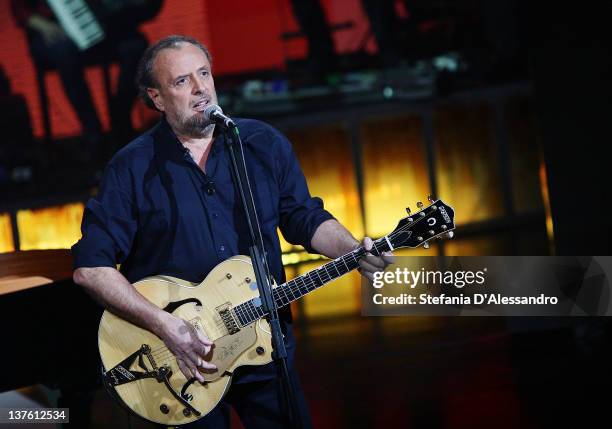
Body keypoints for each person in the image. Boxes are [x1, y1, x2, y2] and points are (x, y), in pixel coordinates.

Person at [71, 34, 393, 428]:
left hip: (264, 346)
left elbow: (304, 217)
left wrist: (353, 249)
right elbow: (92, 269)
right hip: (181, 363)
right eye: (182, 81)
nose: (200, 87)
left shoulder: (260, 143)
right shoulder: (131, 168)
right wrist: (164, 325)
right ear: (157, 98)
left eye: (204, 74)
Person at [10, 0, 159, 154]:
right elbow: (19, 9)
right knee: (64, 52)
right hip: (52, 29)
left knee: (136, 47)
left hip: (102, 27)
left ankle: (121, 118)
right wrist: (44, 26)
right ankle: (93, 132)